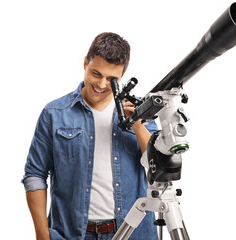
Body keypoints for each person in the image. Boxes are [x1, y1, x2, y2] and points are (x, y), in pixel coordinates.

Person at [22, 32, 159, 240]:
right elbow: (35, 174)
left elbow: (159, 165)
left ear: (123, 76)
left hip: (133, 233)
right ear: (85, 62)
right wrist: (42, 235)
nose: (102, 85)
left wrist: (138, 126)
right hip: (72, 234)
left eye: (112, 79)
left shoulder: (141, 110)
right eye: (96, 73)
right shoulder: (54, 113)